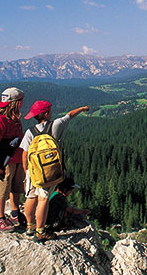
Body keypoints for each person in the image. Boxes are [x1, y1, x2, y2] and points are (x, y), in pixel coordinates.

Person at [20, 101, 89, 242]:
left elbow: (25, 154)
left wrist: (27, 171)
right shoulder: (56, 125)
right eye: (49, 111)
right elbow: (69, 115)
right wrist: (82, 108)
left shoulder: (30, 132)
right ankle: (40, 231)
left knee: (31, 197)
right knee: (43, 198)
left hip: (33, 170)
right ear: (45, 113)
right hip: (49, 170)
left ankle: (29, 227)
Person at [0, 87, 26, 232]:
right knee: (2, 189)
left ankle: (15, 212)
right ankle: (0, 218)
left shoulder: (15, 119)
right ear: (15, 103)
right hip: (5, 161)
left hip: (16, 158)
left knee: (16, 187)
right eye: (20, 101)